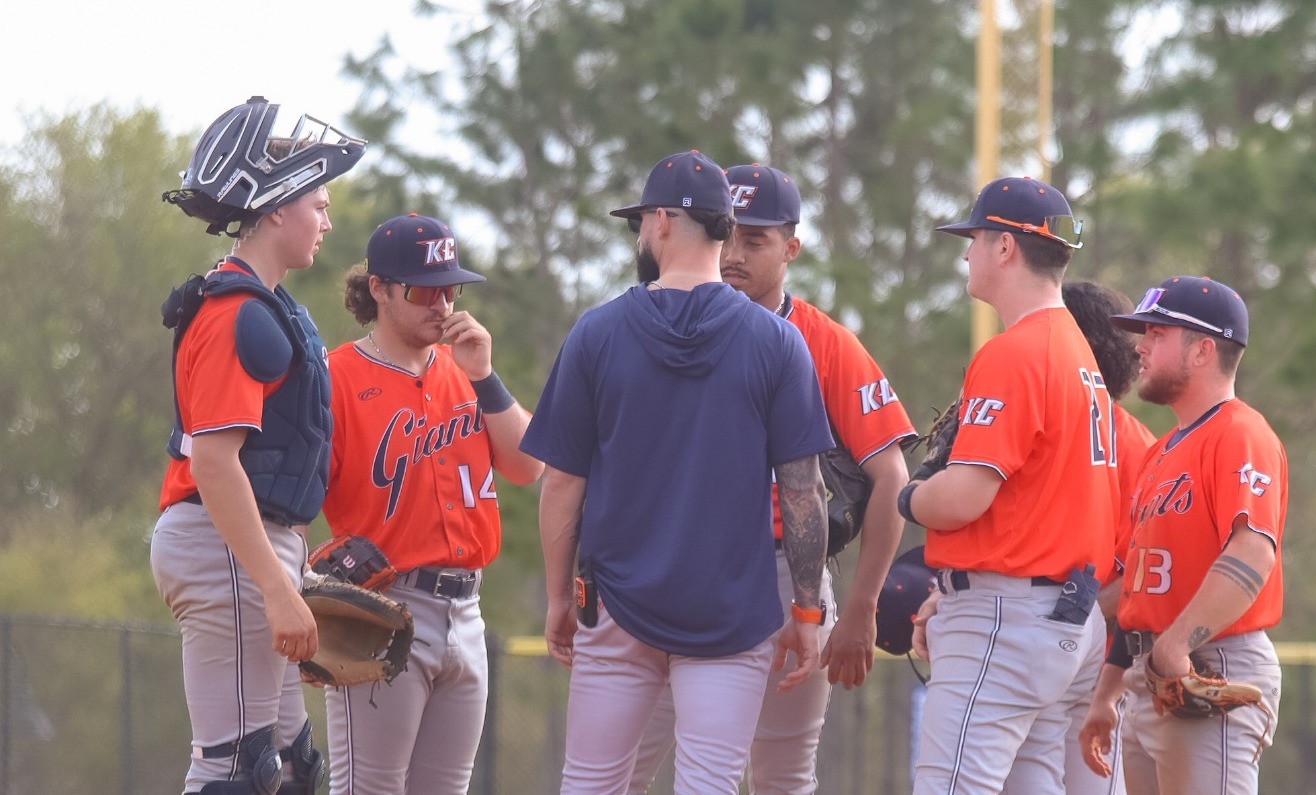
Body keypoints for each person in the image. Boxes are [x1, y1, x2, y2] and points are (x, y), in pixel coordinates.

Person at [519, 149, 835, 795]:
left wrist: (558, 598)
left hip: (617, 601)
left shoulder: (597, 332)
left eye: (642, 219)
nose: (641, 232)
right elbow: (804, 492)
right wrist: (807, 608)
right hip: (731, 610)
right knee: (709, 784)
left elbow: (563, 483)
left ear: (662, 221)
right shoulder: (777, 341)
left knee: (591, 783)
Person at [628, 163, 916, 795]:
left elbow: (891, 474)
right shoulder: (657, 323)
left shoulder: (824, 342)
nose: (734, 253)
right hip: (670, 568)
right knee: (622, 769)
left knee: (782, 777)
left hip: (788, 573)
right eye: (728, 234)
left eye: (755, 240)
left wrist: (862, 606)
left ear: (791, 248)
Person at [152, 96, 365, 794]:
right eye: (319, 205)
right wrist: (276, 587)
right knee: (234, 770)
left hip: (248, 545)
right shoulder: (235, 312)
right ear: (276, 209)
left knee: (291, 767)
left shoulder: (271, 307)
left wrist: (293, 568)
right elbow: (214, 464)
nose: (327, 221)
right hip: (221, 542)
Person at [900, 176, 1117, 795]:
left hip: (1008, 615)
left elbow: (962, 499)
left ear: (1005, 247)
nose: (967, 253)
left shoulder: (1016, 352)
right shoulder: (1077, 350)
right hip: (1065, 615)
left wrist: (907, 495)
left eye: (974, 239)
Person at [319, 213, 544, 794]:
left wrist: (485, 376)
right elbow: (293, 498)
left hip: (468, 612)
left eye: (450, 289)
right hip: (382, 607)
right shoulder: (336, 377)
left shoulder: (466, 371)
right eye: (423, 291)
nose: (441, 305)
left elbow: (529, 465)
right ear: (378, 288)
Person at [1080, 275, 1285, 794]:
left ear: (1203, 350)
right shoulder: (1161, 451)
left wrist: (1175, 645)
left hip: (1210, 661)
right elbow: (1137, 591)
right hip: (1147, 672)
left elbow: (1253, 551)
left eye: (1157, 333)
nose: (1140, 346)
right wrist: (1106, 693)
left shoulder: (1239, 432)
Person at [1014, 280, 1157, 795]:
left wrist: (1075, 617)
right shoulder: (1140, 441)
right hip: (1092, 653)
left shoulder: (1049, 429)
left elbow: (1146, 573)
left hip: (1084, 656)